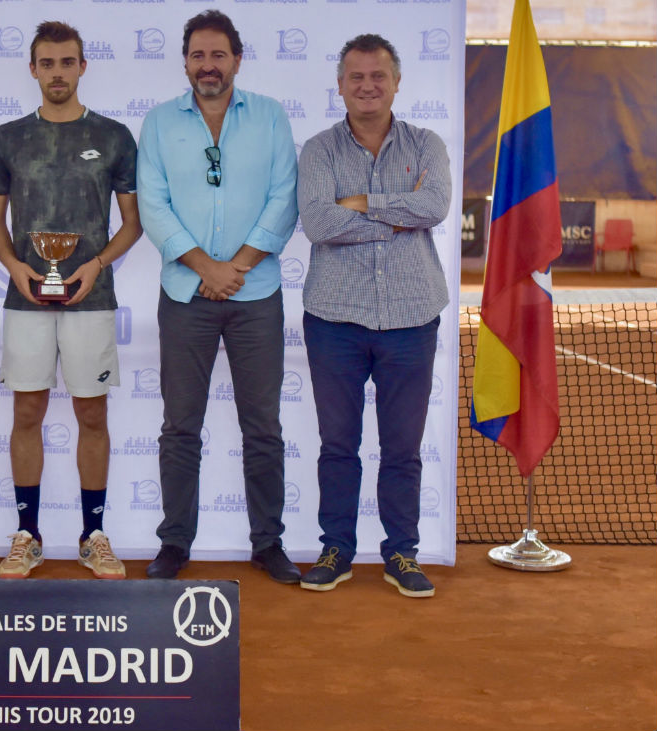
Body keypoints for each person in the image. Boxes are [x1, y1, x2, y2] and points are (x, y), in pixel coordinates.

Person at [137, 10, 299, 582]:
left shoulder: (271, 117)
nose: (208, 65)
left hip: (257, 292)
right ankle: (174, 544)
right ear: (185, 61)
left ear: (237, 59)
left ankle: (268, 544)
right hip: (185, 293)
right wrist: (206, 267)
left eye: (218, 55)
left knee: (263, 426)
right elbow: (152, 206)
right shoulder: (158, 123)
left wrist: (238, 267)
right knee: (181, 426)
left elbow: (284, 196)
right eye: (198, 55)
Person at [0, 21, 142, 580]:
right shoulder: (7, 137)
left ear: (82, 66)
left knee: (91, 413)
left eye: (66, 62)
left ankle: (93, 534)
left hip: (92, 299)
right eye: (47, 63)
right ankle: (27, 534)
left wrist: (96, 264)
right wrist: (16, 267)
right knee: (26, 411)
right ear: (32, 69)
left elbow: (132, 223)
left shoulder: (116, 136)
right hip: (26, 297)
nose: (57, 72)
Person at [296, 34, 451, 598]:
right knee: (338, 445)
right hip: (334, 318)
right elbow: (318, 222)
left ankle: (401, 554)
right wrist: (396, 211)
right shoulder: (317, 150)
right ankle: (335, 549)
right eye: (356, 77)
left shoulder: (427, 144)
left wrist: (360, 203)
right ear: (340, 85)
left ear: (396, 81)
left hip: (412, 317)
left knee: (402, 447)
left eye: (378, 76)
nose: (367, 86)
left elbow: (433, 207)